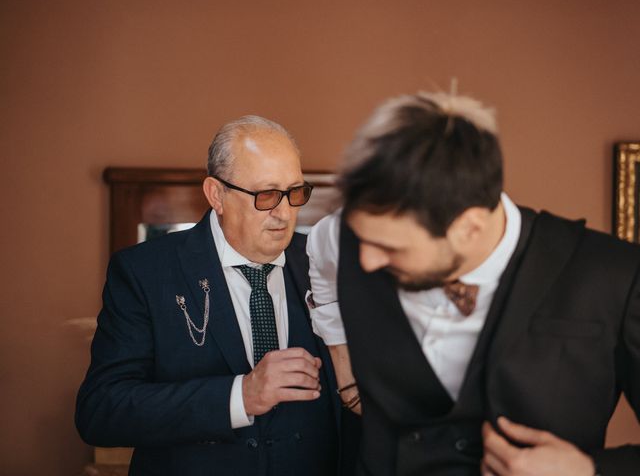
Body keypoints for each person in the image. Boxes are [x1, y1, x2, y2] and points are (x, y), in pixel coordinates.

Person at [306, 92, 640, 475]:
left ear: (470, 228)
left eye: (391, 248)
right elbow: (326, 271)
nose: (366, 262)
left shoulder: (614, 276)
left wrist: (588, 471)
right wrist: (344, 371)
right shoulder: (348, 239)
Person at [76, 115, 355, 476]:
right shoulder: (145, 272)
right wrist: (240, 396)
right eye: (266, 195)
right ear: (216, 194)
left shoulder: (327, 265)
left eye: (295, 193)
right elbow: (101, 411)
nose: (284, 213)